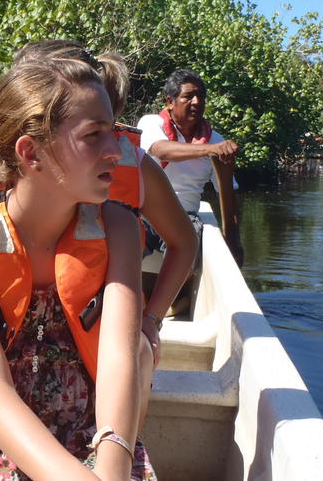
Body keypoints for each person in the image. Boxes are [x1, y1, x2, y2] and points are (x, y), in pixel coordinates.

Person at [0, 59, 154, 480]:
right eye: (93, 136)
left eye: (111, 132)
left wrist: (112, 467)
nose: (115, 150)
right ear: (31, 152)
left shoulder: (119, 230)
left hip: (92, 429)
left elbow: (119, 361)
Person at [11, 40, 196, 366]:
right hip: (18, 332)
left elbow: (184, 242)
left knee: (133, 356)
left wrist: (151, 320)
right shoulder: (4, 169)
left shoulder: (135, 170)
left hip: (105, 331)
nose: (108, 152)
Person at [137, 69, 244, 264]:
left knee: (191, 247)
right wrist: (210, 150)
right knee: (127, 243)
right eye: (188, 96)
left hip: (185, 217)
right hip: (146, 213)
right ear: (170, 102)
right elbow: (161, 150)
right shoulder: (152, 123)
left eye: (200, 96)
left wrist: (234, 241)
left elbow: (227, 193)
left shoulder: (214, 139)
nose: (196, 102)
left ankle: (177, 293)